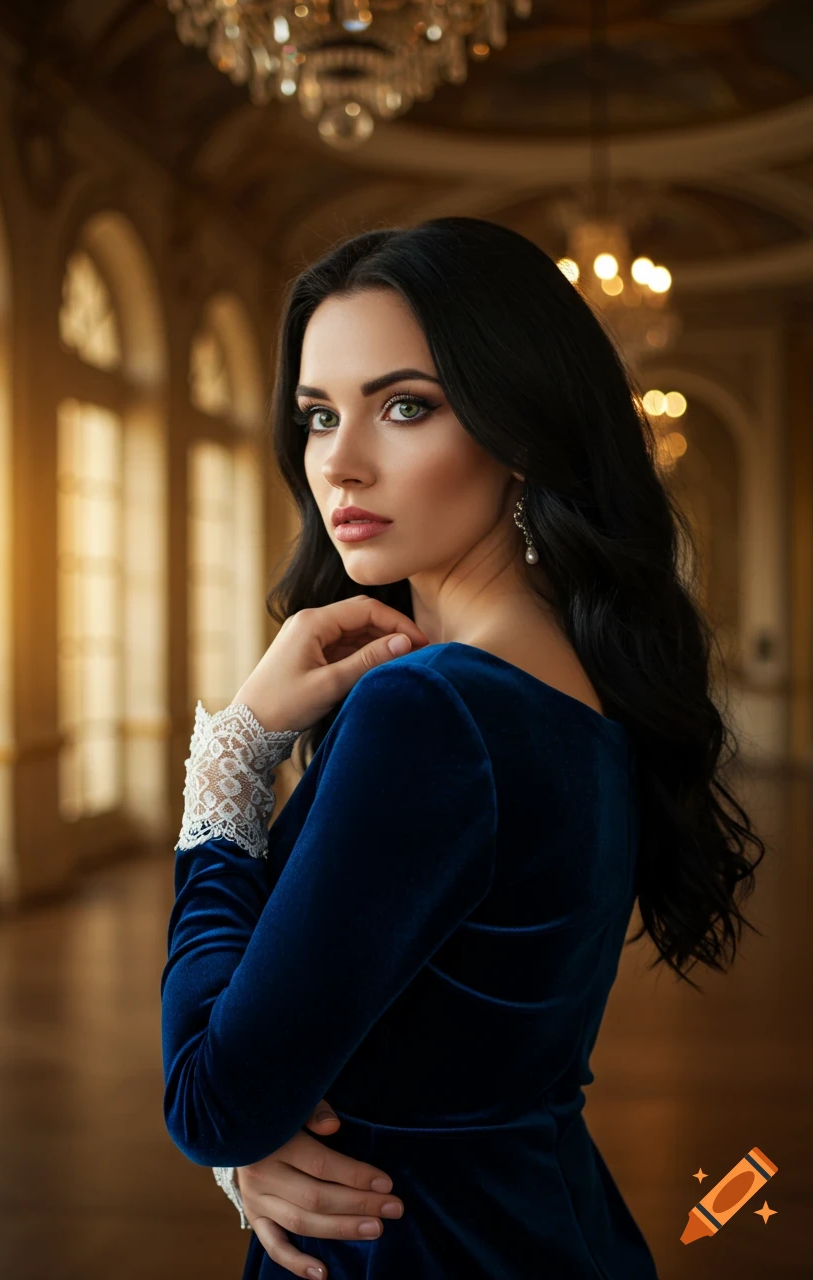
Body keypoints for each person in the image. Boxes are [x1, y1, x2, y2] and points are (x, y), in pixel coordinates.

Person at [160, 217, 766, 1279]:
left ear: (519, 425)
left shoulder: (434, 712)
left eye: (403, 406)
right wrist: (250, 1136)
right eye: (315, 414)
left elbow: (213, 1096)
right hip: (536, 1218)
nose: (337, 463)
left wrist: (236, 756)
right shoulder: (579, 676)